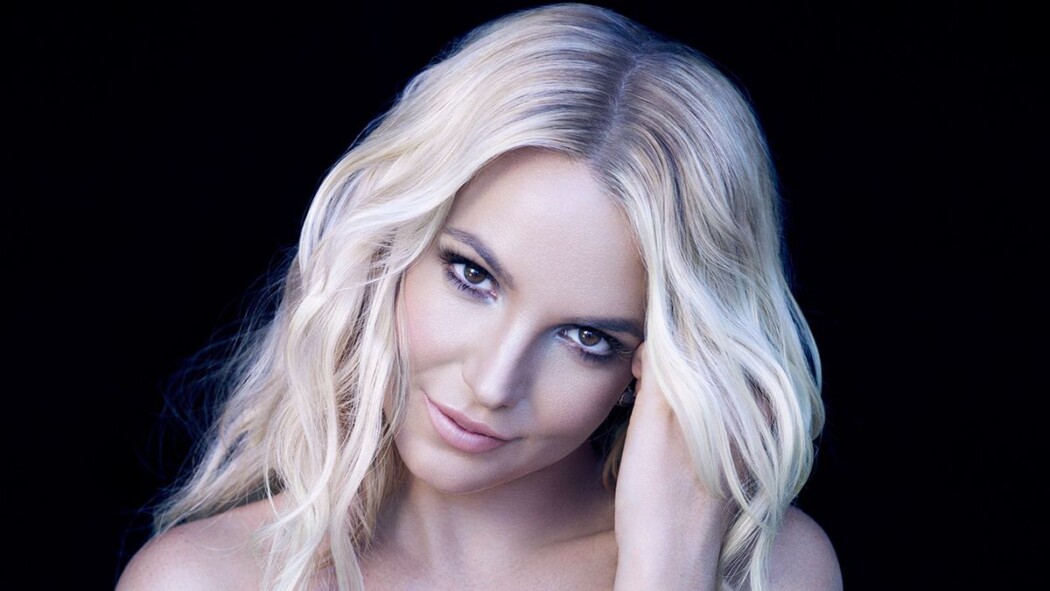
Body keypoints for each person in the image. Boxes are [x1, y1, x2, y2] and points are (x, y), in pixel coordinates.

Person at [116, 3, 841, 590]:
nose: (494, 384)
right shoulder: (204, 579)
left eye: (588, 338)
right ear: (391, 249)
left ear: (650, 369)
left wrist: (668, 571)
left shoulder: (767, 572)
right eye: (473, 276)